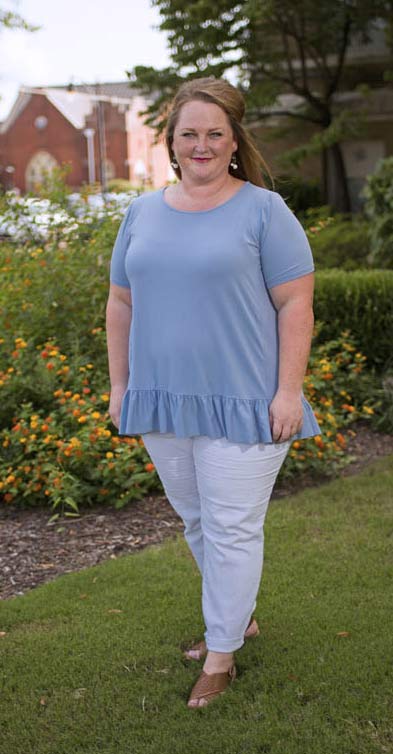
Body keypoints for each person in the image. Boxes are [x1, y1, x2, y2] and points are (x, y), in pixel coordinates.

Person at [106, 76, 320, 709]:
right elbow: (121, 302)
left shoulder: (263, 210)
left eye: (214, 134)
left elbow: (296, 302)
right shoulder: (141, 211)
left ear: (233, 141)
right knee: (199, 520)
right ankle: (238, 618)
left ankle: (222, 654)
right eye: (189, 133)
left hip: (247, 400)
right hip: (163, 399)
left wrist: (288, 391)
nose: (201, 145)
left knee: (230, 527)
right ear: (171, 140)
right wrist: (121, 386)